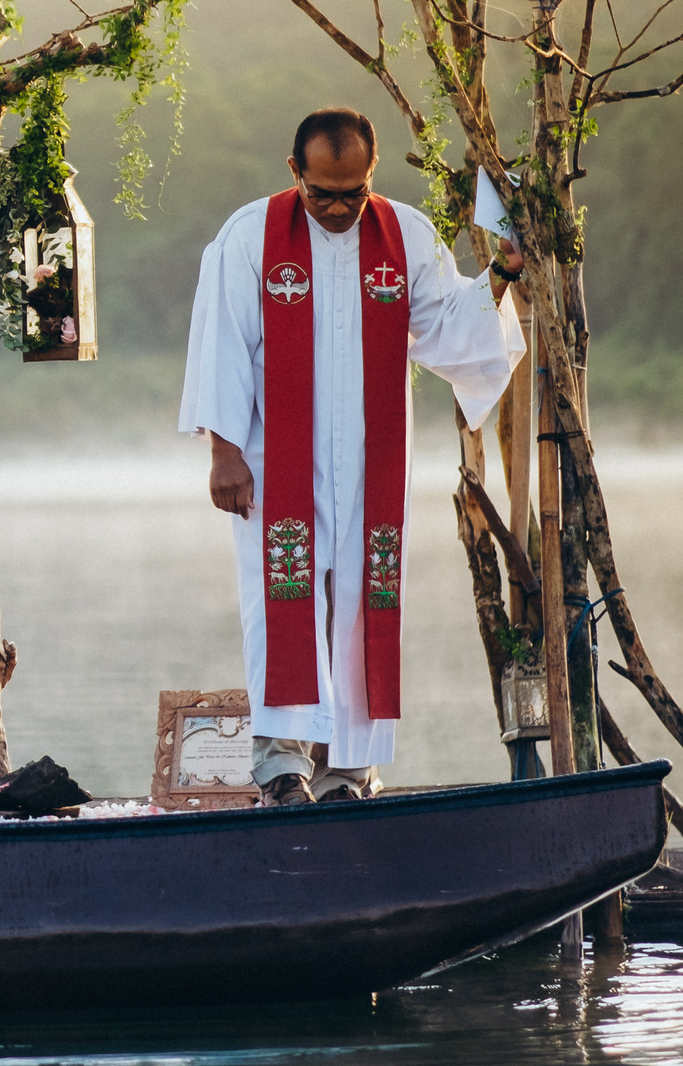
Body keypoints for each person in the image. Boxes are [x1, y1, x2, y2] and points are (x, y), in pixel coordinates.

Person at [180, 108, 525, 806]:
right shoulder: (252, 236)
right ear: (294, 172)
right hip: (272, 460)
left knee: (361, 603)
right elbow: (220, 342)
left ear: (372, 173)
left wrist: (499, 276)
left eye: (353, 192)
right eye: (322, 193)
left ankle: (348, 767)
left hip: (369, 457)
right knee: (283, 595)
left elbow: (446, 324)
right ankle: (281, 761)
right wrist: (223, 453)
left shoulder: (404, 235)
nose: (337, 209)